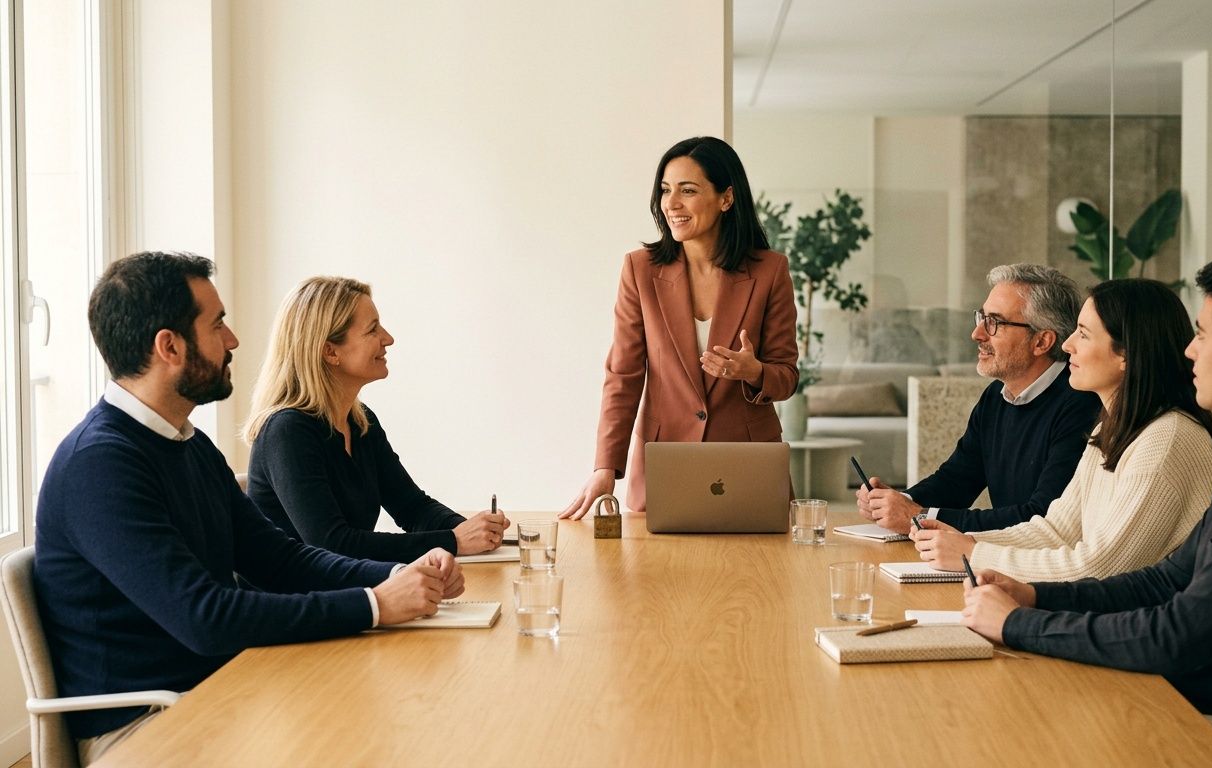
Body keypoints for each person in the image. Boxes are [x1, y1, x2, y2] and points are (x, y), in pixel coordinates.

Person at [33, 252, 462, 765]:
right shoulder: (100, 464)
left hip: (222, 687)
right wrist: (374, 604)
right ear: (169, 347)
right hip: (147, 725)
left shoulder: (187, 444)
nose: (233, 340)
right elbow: (205, 618)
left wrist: (398, 574)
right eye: (217, 325)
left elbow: (281, 560)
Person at [962, 256, 1212, 765]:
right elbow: (1162, 582)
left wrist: (1018, 624)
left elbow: (1175, 636)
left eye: (1202, 334)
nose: (1188, 350)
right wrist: (1031, 595)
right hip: (1175, 702)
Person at [909, 279, 1212, 581]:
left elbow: (1099, 567)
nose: (1069, 344)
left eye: (1084, 334)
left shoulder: (1166, 439)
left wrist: (975, 554)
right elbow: (1057, 530)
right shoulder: (1114, 427)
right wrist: (962, 539)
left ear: (1126, 355)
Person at [562, 136, 799, 517]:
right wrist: (606, 467)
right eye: (665, 190)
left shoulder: (770, 271)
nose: (671, 203)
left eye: (687, 191)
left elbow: (786, 375)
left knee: (756, 575)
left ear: (726, 198)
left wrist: (753, 371)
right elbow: (623, 375)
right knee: (654, 576)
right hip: (663, 463)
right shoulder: (640, 270)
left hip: (747, 465)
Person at [243, 276, 509, 561]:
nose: (388, 339)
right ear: (330, 351)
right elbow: (333, 545)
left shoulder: (360, 422)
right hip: (294, 601)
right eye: (372, 330)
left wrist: (471, 531)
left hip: (345, 590)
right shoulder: (287, 431)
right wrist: (454, 540)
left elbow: (412, 507)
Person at [857, 264, 1100, 533]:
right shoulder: (996, 396)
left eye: (994, 322)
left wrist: (919, 516)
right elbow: (958, 479)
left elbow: (1041, 517)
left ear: (1041, 342)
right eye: (981, 318)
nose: (977, 333)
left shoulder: (1082, 404)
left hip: (1034, 568)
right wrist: (901, 501)